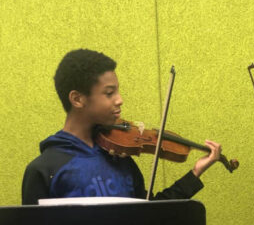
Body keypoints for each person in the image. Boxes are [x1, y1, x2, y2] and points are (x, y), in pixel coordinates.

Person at [22, 49, 222, 204]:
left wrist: (195, 173)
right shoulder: (43, 170)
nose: (120, 100)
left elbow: (150, 214)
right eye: (109, 93)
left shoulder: (120, 159)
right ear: (77, 99)